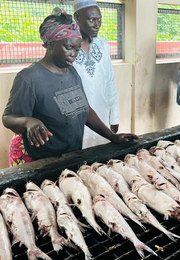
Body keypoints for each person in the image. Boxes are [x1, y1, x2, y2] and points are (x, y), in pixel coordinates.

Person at [2, 8, 138, 167]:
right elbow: (8, 118)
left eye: (77, 49)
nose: (74, 54)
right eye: (68, 48)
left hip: (68, 155)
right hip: (40, 160)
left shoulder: (71, 72)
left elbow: (84, 109)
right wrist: (28, 121)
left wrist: (112, 136)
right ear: (50, 44)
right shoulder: (29, 78)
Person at [73, 0, 120, 148]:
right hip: (77, 116)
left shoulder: (102, 45)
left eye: (99, 19)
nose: (97, 24)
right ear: (77, 18)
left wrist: (114, 116)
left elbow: (110, 81)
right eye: (91, 20)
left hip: (102, 113)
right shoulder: (67, 48)